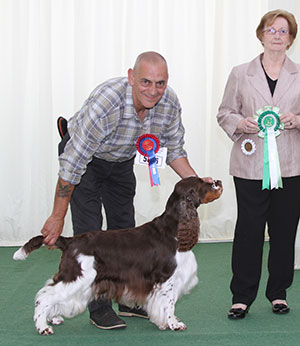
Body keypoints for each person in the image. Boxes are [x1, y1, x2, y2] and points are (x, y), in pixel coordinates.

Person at [41, 51, 204, 330]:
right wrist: (57, 215)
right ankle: (99, 307)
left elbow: (175, 149)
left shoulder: (169, 104)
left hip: (120, 159)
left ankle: (130, 299)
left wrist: (198, 185)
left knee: (126, 229)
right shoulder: (106, 103)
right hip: (86, 159)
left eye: (160, 83)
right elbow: (72, 165)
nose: (153, 91)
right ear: (131, 77)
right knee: (92, 231)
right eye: (145, 82)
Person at [217, 9, 300, 319]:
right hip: (250, 166)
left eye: (283, 31)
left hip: (292, 168)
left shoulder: (299, 73)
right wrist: (242, 124)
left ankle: (279, 293)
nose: (277, 35)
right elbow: (224, 113)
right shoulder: (241, 73)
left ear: (291, 38)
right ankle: (241, 296)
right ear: (261, 34)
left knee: (284, 231)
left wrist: (296, 120)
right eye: (271, 30)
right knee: (249, 231)